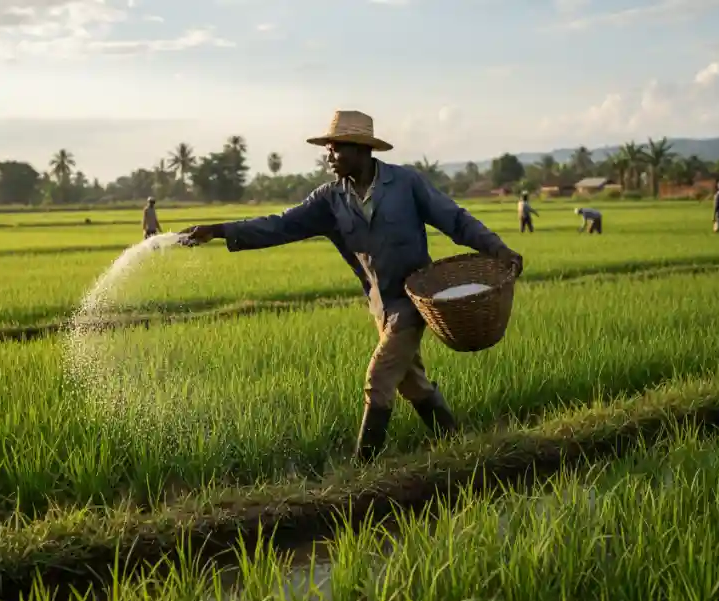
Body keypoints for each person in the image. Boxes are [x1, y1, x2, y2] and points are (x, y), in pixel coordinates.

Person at [180, 110, 524, 462]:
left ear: (361, 150)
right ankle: (459, 446)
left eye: (336, 149)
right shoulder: (329, 199)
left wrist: (498, 249)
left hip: (414, 299)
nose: (329, 157)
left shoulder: (405, 183)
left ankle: (362, 469)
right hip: (381, 304)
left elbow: (454, 218)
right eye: (328, 150)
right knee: (411, 382)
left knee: (378, 380)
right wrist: (221, 230)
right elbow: (279, 225)